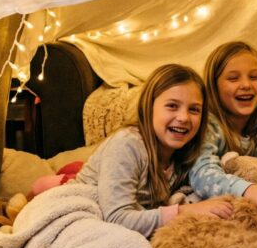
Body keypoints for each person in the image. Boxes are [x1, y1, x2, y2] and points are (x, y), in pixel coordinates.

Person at [72, 63, 232, 237]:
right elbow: (116, 218)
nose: (184, 117)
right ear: (149, 107)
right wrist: (185, 211)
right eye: (172, 106)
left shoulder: (186, 152)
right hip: (83, 211)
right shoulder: (127, 144)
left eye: (194, 110)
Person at [189, 41, 257, 215]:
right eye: (233, 78)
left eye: (254, 77)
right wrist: (250, 190)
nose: (246, 85)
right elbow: (202, 174)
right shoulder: (208, 126)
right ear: (214, 86)